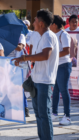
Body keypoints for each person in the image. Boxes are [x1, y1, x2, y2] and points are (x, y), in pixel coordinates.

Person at [13, 10, 59, 140]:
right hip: (36, 79)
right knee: (39, 114)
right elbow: (33, 60)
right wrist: (22, 61)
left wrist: (25, 57)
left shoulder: (49, 36)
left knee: (44, 114)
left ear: (41, 23)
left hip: (45, 81)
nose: (33, 23)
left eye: (35, 20)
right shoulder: (39, 35)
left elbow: (45, 56)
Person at [50, 15, 72, 125]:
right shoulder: (53, 35)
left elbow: (67, 51)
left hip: (63, 65)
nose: (48, 25)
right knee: (56, 91)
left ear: (54, 25)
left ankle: (67, 116)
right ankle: (54, 114)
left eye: (50, 23)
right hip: (56, 65)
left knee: (63, 90)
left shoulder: (64, 35)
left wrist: (53, 56)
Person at [8, 34, 30, 117]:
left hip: (19, 65)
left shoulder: (20, 35)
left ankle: (25, 108)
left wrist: (8, 44)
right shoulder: (4, 37)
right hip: (8, 64)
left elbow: (19, 47)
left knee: (20, 87)